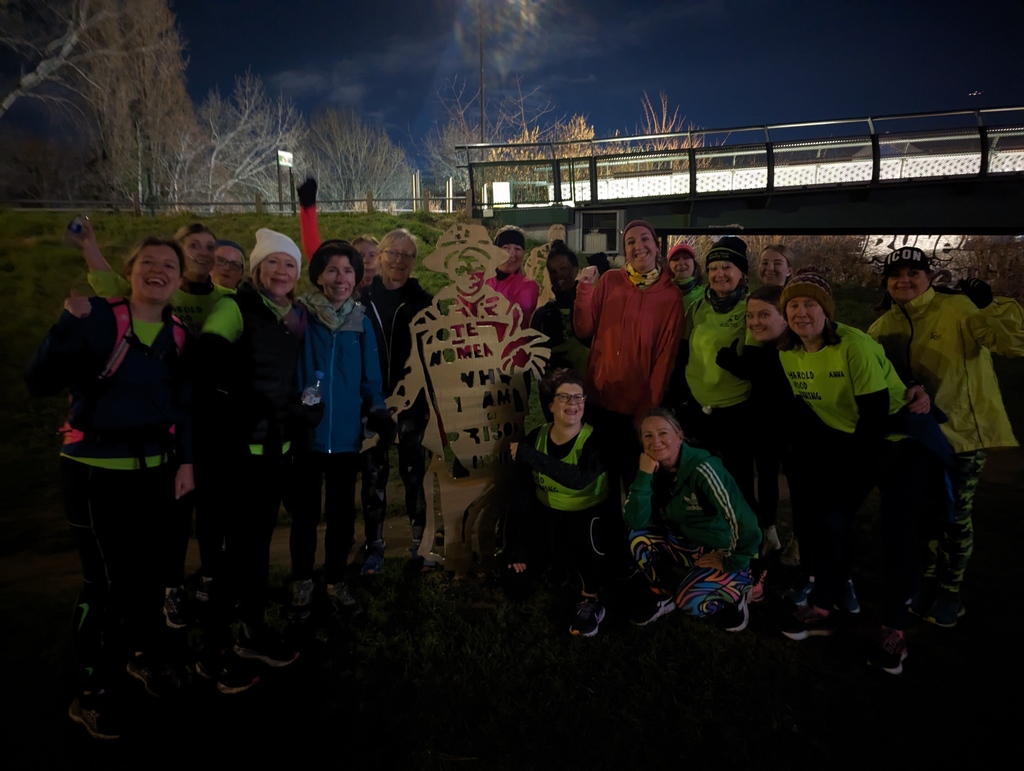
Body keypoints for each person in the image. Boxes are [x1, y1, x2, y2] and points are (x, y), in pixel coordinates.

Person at [26, 237, 194, 738]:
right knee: (101, 584)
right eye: (149, 264)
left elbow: (182, 406)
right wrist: (66, 326)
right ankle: (91, 689)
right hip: (94, 471)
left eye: (169, 266)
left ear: (181, 279)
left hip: (155, 471)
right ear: (129, 271)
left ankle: (142, 656)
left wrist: (185, 461)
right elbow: (38, 382)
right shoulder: (100, 317)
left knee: (145, 575)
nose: (159, 272)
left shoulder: (179, 333)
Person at [777, 268, 951, 675]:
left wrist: (844, 470)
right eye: (793, 305)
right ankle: (823, 606)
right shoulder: (788, 352)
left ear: (827, 311)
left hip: (898, 442)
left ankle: (895, 628)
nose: (801, 312)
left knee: (896, 530)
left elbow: (873, 420)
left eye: (810, 304)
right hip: (855, 442)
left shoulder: (853, 345)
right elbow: (816, 411)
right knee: (830, 522)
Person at [868, 247, 1024, 626]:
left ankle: (950, 592)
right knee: (924, 517)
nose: (904, 280)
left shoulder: (959, 309)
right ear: (886, 283)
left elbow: (1013, 343)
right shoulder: (881, 328)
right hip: (919, 439)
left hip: (965, 435)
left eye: (913, 273)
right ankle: (926, 582)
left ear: (929, 277)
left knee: (955, 517)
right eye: (895, 275)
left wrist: (992, 305)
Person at [196, 228, 311, 688]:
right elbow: (204, 369)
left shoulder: (294, 315)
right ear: (257, 269)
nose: (282, 271)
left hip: (277, 450)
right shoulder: (235, 308)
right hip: (240, 454)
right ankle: (214, 651)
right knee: (236, 555)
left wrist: (304, 406)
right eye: (273, 263)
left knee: (257, 552)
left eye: (290, 265)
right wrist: (237, 404)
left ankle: (252, 632)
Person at [288, 240, 391, 618]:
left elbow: (371, 378)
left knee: (342, 515)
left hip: (347, 439)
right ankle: (301, 581)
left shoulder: (360, 321)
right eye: (332, 270)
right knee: (303, 515)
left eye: (348, 270)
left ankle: (335, 579)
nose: (341, 278)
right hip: (308, 436)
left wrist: (377, 410)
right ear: (318, 276)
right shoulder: (299, 317)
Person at [624, 408, 760, 632]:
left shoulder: (704, 468)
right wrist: (643, 476)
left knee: (690, 603)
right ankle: (661, 595)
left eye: (662, 433)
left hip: (724, 549)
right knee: (638, 538)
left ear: (679, 436)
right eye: (647, 435)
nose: (655, 441)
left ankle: (738, 589)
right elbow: (635, 521)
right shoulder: (650, 468)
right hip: (690, 544)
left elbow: (746, 523)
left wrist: (731, 560)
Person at [574, 220, 683, 488]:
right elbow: (584, 327)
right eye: (631, 242)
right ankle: (605, 528)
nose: (638, 246)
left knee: (635, 479)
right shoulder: (610, 281)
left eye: (644, 239)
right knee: (600, 480)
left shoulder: (671, 297)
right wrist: (585, 290)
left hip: (636, 408)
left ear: (656, 246)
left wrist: (648, 409)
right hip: (599, 399)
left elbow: (665, 359)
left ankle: (637, 530)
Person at [503, 369, 613, 637]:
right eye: (564, 397)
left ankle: (590, 597)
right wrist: (516, 546)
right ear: (550, 405)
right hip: (548, 514)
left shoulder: (596, 438)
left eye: (579, 397)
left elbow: (578, 479)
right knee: (516, 582)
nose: (573, 403)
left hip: (587, 517)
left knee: (583, 533)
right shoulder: (536, 437)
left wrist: (529, 455)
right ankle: (557, 566)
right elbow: (521, 493)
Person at [359, 228, 434, 573]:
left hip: (411, 404)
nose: (400, 261)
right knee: (373, 477)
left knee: (413, 473)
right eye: (394, 253)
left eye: (408, 256)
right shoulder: (360, 301)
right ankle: (374, 545)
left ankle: (421, 543)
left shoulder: (423, 301)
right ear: (380, 255)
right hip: (371, 405)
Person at [682, 236, 757, 510]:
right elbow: (684, 348)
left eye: (726, 267)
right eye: (713, 268)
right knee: (703, 482)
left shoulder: (750, 308)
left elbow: (759, 363)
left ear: (742, 273)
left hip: (734, 413)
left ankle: (747, 544)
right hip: (699, 410)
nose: (719, 274)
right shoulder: (700, 306)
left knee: (738, 484)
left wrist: (737, 365)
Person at [530, 240, 590, 380]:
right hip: (557, 396)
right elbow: (534, 357)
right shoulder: (542, 315)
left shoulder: (592, 308)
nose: (559, 275)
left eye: (563, 268)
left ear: (576, 270)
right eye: (553, 271)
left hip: (592, 392)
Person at [487, 226, 540, 326]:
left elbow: (512, 315)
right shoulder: (480, 283)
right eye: (506, 247)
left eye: (517, 248)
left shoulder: (528, 286)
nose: (511, 254)